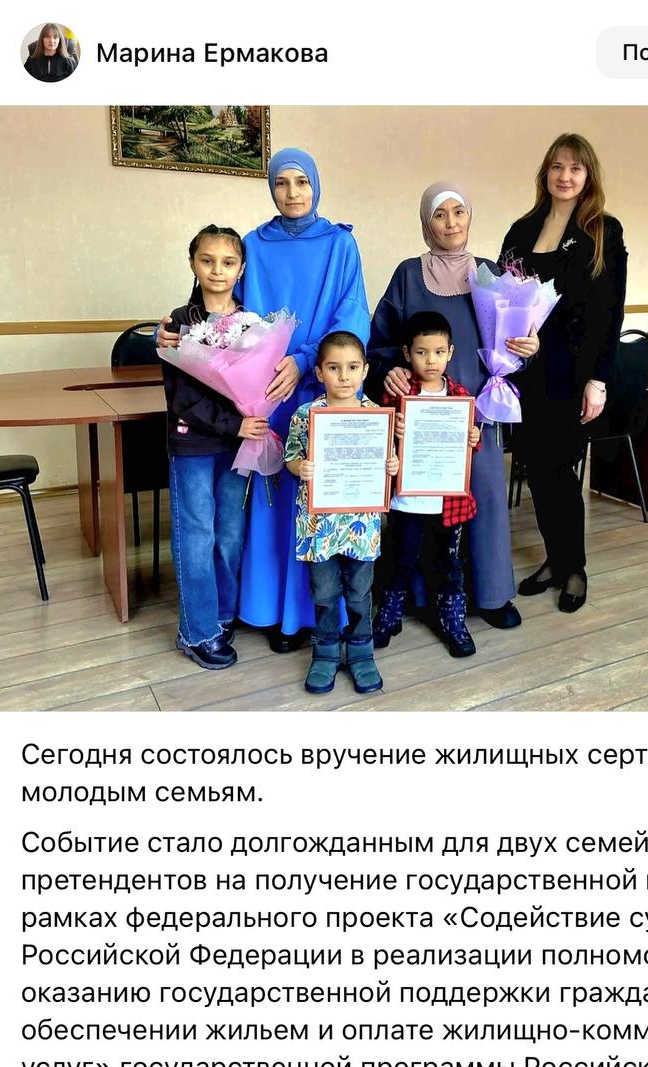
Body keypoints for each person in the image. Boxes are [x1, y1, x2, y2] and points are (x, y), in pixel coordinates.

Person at [159, 148, 369, 653]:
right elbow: (227, 318)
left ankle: (320, 616)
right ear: (270, 187)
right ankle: (271, 611)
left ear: (315, 185)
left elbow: (352, 313)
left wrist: (306, 359)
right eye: (281, 182)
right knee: (270, 502)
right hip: (260, 396)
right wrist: (167, 337)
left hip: (320, 384)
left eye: (302, 182)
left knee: (320, 497)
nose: (292, 192)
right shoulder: (253, 244)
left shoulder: (341, 244)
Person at [368, 182, 538, 630]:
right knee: (421, 508)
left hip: (476, 411)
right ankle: (423, 597)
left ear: (469, 217)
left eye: (458, 212)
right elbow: (381, 342)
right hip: (420, 414)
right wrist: (388, 369)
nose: (450, 223)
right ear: (426, 223)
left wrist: (528, 347)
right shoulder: (408, 275)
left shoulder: (490, 273)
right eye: (439, 214)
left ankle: (492, 594)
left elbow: (512, 341)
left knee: (485, 497)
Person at [500, 133, 627, 612]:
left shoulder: (603, 231)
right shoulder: (522, 229)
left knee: (560, 469)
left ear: (588, 175)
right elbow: (504, 297)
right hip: (526, 371)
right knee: (535, 467)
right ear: (545, 173)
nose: (565, 176)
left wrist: (598, 379)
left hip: (573, 374)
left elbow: (610, 311)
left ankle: (574, 567)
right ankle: (555, 558)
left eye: (575, 168)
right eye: (557, 166)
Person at [161, 225, 270, 670]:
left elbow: (256, 383)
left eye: (228, 262)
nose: (217, 270)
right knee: (197, 533)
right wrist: (235, 423)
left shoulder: (254, 325)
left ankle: (222, 615)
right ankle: (196, 631)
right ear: (192, 263)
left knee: (229, 534)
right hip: (193, 444)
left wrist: (250, 419)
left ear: (241, 269)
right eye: (207, 260)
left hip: (237, 446)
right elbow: (184, 397)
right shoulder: (178, 324)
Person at [284, 332, 398, 695]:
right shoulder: (306, 415)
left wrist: (392, 466)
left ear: (365, 370)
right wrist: (300, 467)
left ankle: (362, 653)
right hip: (319, 526)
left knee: (360, 591)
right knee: (324, 591)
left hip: (361, 525)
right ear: (319, 372)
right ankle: (326, 652)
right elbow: (290, 457)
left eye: (352, 368)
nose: (344, 376)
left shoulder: (376, 416)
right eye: (334, 368)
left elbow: (388, 462)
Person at [374, 310, 481, 658]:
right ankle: (389, 614)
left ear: (450, 353)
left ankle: (452, 619)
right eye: (421, 352)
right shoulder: (399, 393)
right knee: (400, 558)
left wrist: (473, 437)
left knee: (448, 564)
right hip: (407, 501)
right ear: (407, 353)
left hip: (447, 502)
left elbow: (470, 446)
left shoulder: (460, 395)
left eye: (438, 352)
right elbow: (381, 438)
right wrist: (394, 430)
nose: (430, 360)